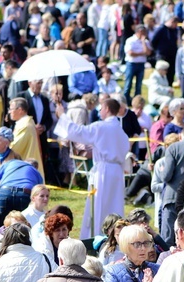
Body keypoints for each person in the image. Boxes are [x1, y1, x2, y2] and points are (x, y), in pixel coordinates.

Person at [54, 97, 129, 238]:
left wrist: (62, 115)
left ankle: (96, 235)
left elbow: (78, 132)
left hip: (104, 172)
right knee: (114, 205)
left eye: (101, 108)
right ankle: (115, 235)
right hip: (117, 173)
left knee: (98, 206)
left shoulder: (101, 127)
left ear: (106, 109)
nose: (99, 111)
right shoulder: (122, 132)